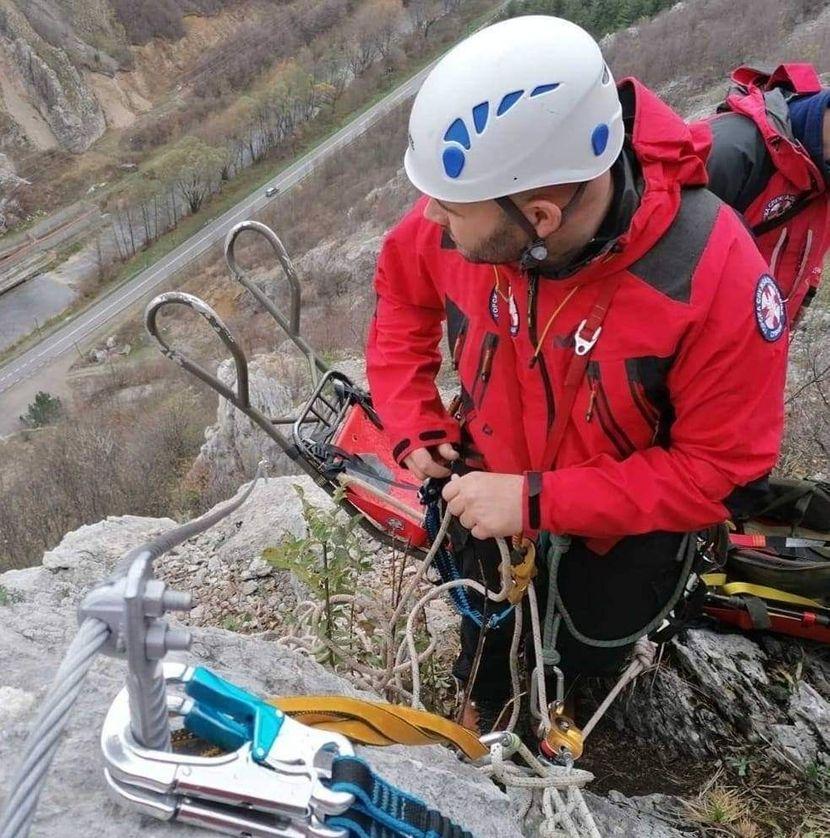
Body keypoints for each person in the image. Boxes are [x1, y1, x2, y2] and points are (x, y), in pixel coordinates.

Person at [365, 15, 788, 734]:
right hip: (487, 491)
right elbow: (403, 293)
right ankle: (488, 704)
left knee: (592, 641)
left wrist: (536, 500)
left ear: (540, 213)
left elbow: (720, 469)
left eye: (450, 209)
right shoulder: (483, 207)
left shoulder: (708, 271)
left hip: (620, 536)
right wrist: (412, 422)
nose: (430, 219)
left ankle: (570, 701)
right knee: (489, 628)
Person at [703, 64, 830, 327]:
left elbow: (815, 241)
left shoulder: (824, 175)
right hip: (710, 344)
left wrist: (803, 297)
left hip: (764, 339)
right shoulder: (731, 150)